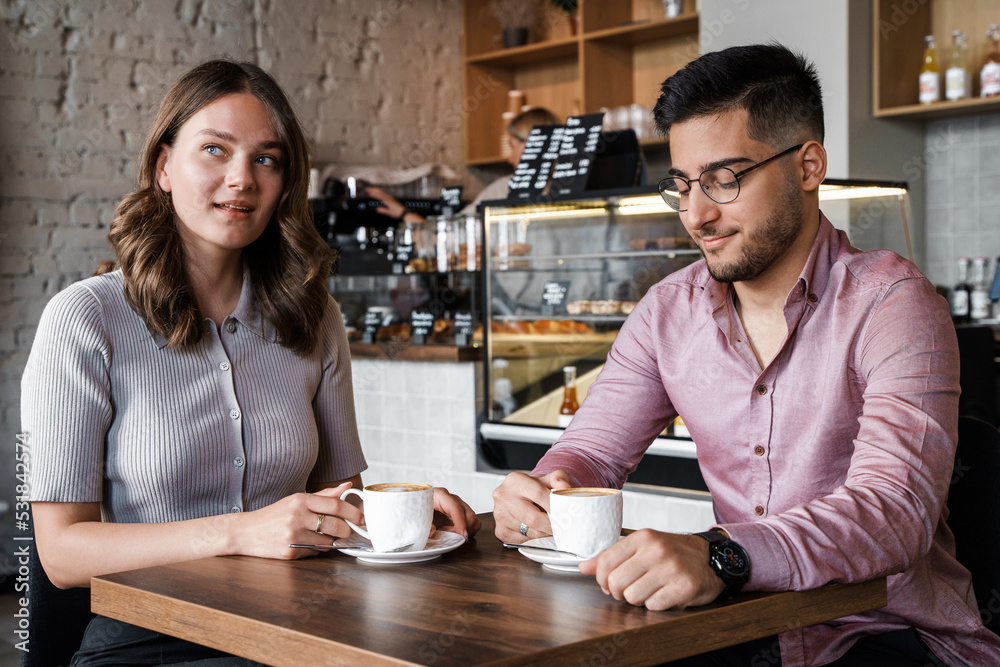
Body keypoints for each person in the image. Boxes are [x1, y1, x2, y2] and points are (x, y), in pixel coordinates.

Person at [492, 44, 1000, 666]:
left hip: (884, 633)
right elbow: (593, 452)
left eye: (724, 179)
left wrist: (721, 555)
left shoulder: (893, 303)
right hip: (742, 627)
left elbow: (897, 510)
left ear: (808, 165)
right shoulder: (666, 312)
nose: (696, 215)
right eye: (681, 185)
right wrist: (549, 488)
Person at [21, 59, 480, 665]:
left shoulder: (315, 318)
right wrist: (243, 532)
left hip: (302, 627)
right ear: (163, 166)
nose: (242, 178)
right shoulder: (84, 320)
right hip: (150, 640)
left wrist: (405, 510)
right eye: (215, 150)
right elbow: (62, 554)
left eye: (266, 159)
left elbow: (334, 503)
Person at [365, 106, 561, 222]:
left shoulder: (505, 189)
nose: (510, 159)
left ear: (530, 143)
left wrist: (404, 213)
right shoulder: (571, 187)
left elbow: (452, 235)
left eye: (512, 146)